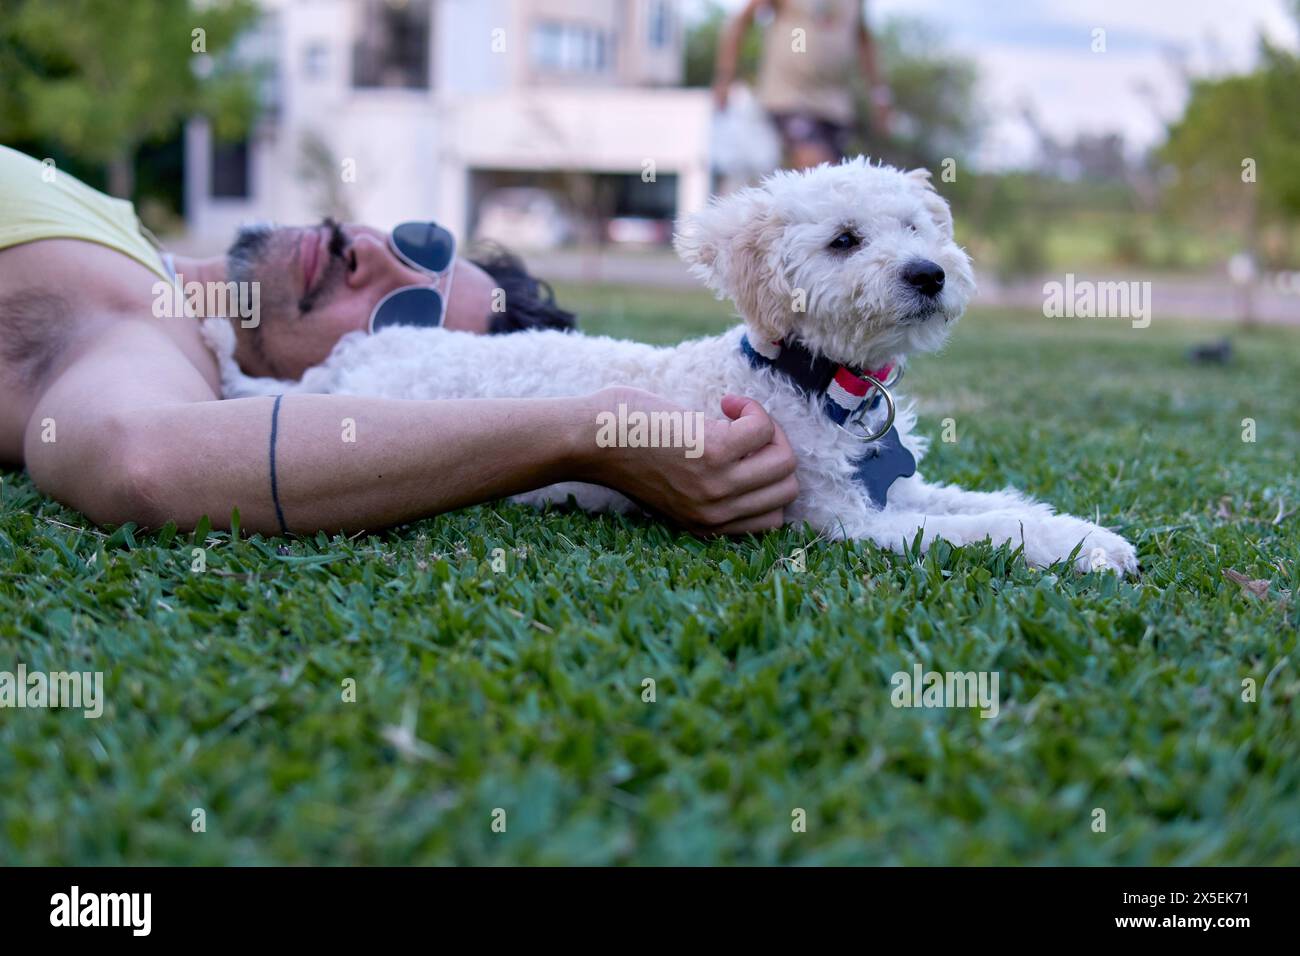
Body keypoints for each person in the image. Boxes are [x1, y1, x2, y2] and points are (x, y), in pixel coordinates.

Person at [0, 145, 798, 536]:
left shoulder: (145, 339)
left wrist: (584, 432)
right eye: (419, 245)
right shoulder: (134, 245)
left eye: (404, 317)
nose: (370, 255)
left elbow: (144, 459)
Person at [713, 0, 891, 170]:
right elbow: (740, 22)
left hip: (835, 104)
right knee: (817, 169)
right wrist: (725, 76)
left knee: (833, 178)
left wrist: (880, 94)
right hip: (790, 97)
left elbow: (864, 39)